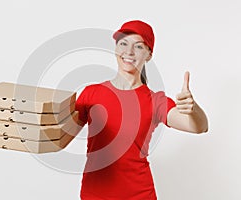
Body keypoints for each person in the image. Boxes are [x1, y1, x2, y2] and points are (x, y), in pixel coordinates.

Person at [74, 20, 208, 200]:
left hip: (138, 195)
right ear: (115, 48)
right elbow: (60, 134)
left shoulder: (155, 101)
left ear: (149, 54)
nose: (128, 52)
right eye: (123, 43)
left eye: (138, 46)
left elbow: (199, 127)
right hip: (94, 194)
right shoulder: (92, 93)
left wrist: (193, 109)